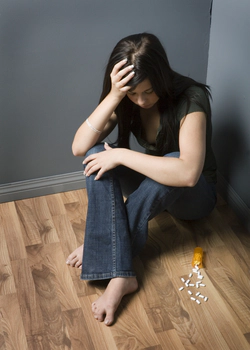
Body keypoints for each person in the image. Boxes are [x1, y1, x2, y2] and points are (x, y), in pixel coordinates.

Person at [66, 33, 217, 326]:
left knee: (172, 160)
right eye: (133, 94)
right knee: (97, 153)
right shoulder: (124, 98)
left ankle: (114, 264)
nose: (142, 100)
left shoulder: (191, 98)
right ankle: (111, 251)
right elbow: (78, 147)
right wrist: (114, 95)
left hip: (195, 197)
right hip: (157, 185)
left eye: (148, 91)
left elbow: (187, 174)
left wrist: (121, 156)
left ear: (161, 78)